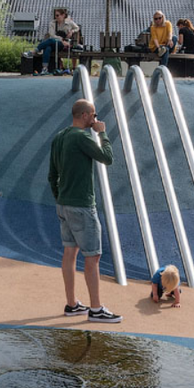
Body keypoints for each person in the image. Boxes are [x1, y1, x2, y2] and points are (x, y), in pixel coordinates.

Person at [49, 99, 120, 323]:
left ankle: (72, 304)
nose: (96, 119)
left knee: (70, 252)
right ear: (85, 115)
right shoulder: (82, 137)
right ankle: (96, 308)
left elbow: (52, 174)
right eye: (93, 115)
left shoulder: (60, 136)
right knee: (93, 255)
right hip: (81, 205)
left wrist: (60, 197)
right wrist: (102, 134)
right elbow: (107, 158)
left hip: (63, 203)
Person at [36, 8, 79, 76]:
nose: (56, 17)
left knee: (48, 45)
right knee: (48, 46)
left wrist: (72, 31)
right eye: (55, 15)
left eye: (57, 15)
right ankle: (45, 68)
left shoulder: (69, 23)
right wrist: (61, 39)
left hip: (63, 45)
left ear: (63, 15)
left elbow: (77, 28)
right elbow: (52, 35)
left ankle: (36, 50)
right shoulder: (52, 23)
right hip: (57, 42)